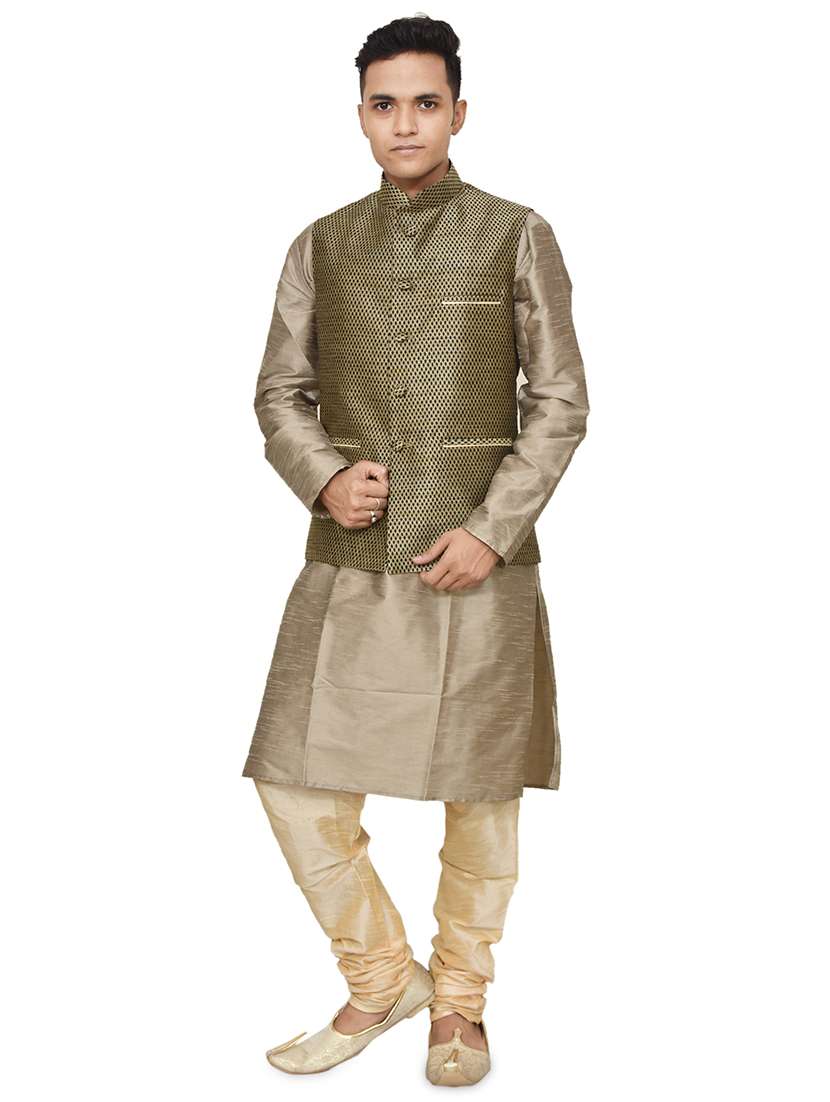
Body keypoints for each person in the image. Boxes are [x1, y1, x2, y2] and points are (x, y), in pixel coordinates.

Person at [241, 13, 589, 1086]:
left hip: (477, 565)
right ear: (359, 115)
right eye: (384, 104)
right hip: (349, 559)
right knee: (293, 780)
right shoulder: (321, 242)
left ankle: (460, 1006)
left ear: (458, 112)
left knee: (479, 796)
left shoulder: (514, 233)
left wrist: (491, 529)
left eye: (425, 103)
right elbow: (279, 391)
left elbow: (560, 401)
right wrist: (320, 474)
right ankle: (383, 975)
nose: (404, 123)